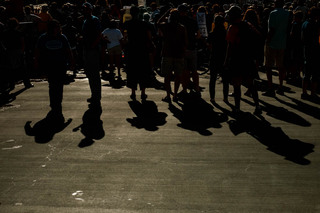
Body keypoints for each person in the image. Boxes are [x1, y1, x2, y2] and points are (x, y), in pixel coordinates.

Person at [34, 19, 74, 122]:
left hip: (60, 65)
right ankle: (54, 103)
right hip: (49, 65)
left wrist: (71, 62)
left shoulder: (61, 37)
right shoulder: (44, 38)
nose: (57, 29)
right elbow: (38, 52)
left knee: (58, 85)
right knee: (53, 85)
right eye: (56, 27)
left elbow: (68, 50)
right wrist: (37, 63)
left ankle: (57, 102)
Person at [224, 6, 261, 114]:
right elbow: (258, 36)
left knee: (237, 84)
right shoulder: (248, 25)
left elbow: (229, 46)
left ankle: (237, 108)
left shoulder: (232, 28)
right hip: (248, 58)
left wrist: (226, 61)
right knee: (251, 84)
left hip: (237, 58)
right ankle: (257, 105)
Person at [123, 5, 154, 101]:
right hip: (142, 50)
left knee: (132, 71)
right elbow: (149, 37)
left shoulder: (127, 24)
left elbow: (125, 37)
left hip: (132, 50)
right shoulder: (144, 24)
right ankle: (143, 93)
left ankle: (133, 92)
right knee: (143, 71)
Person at [157, 8, 188, 103]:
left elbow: (158, 22)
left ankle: (168, 95)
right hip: (179, 54)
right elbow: (186, 42)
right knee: (178, 75)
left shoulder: (166, 26)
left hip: (167, 53)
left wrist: (167, 12)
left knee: (167, 76)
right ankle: (175, 94)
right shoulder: (182, 28)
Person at [264, 0, 290, 96]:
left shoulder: (273, 13)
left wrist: (268, 40)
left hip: (272, 42)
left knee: (268, 66)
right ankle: (280, 86)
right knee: (280, 66)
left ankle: (270, 87)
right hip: (282, 42)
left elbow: (272, 29)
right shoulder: (287, 13)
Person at [2, 17, 33, 90]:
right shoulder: (18, 33)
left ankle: (11, 84)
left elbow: (3, 42)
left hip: (9, 51)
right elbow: (22, 42)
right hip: (18, 50)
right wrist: (22, 51)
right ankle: (27, 83)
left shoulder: (5, 33)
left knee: (10, 69)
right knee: (22, 68)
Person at [178, 4, 202, 99]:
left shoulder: (178, 22)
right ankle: (196, 88)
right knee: (194, 70)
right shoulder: (192, 21)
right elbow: (199, 34)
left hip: (182, 48)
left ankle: (184, 89)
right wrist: (194, 39)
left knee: (184, 71)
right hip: (192, 48)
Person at [82, 2, 102, 104]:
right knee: (90, 73)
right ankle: (94, 94)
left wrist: (93, 46)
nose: (84, 11)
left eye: (86, 9)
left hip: (92, 50)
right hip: (87, 48)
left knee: (94, 74)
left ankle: (96, 95)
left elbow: (99, 35)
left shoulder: (94, 20)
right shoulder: (85, 20)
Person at [207, 14, 228, 104]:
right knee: (225, 79)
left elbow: (209, 45)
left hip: (214, 56)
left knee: (213, 79)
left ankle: (212, 97)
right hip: (224, 57)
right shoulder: (226, 33)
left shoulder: (212, 33)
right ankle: (225, 97)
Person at [301, 7, 320, 100]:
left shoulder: (305, 23)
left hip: (307, 50)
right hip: (315, 51)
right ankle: (313, 92)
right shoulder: (315, 25)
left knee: (306, 73)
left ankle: (304, 91)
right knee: (315, 74)